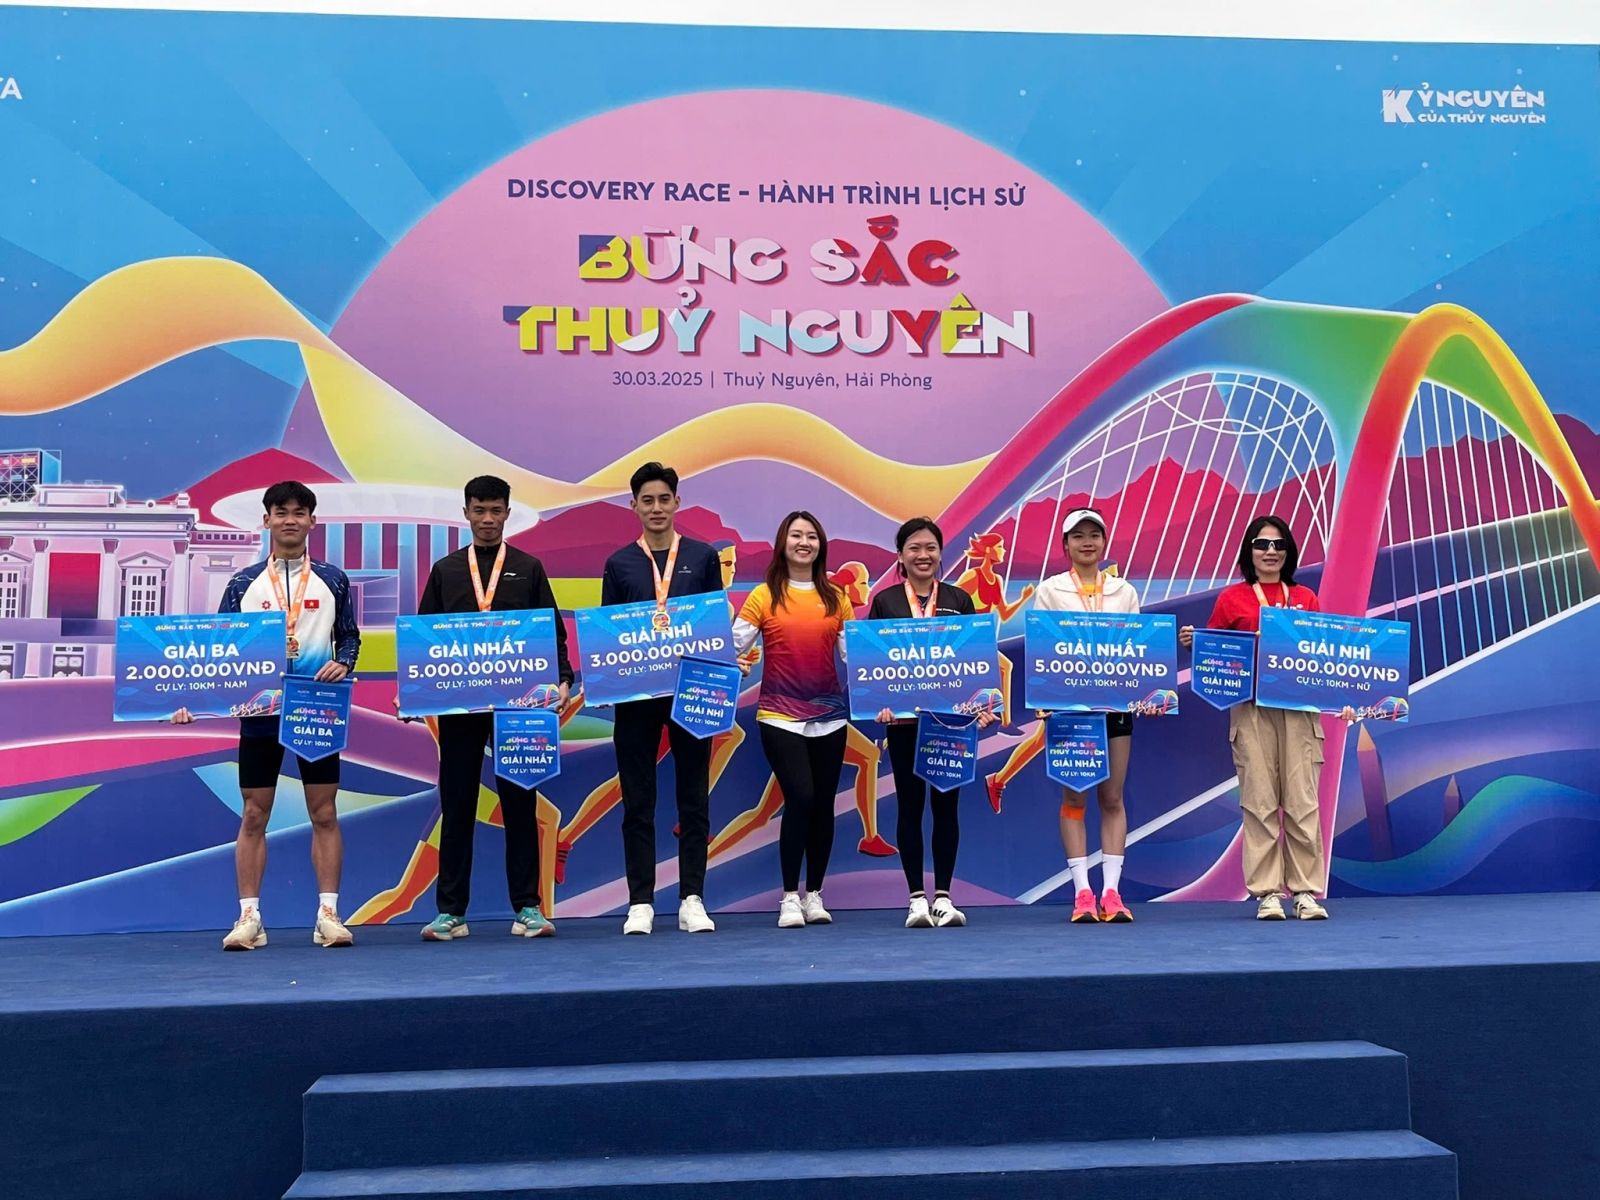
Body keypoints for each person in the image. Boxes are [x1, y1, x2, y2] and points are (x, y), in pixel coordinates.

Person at [174, 481, 360, 951]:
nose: (290, 520)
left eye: (299, 512)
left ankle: (329, 915)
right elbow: (218, 649)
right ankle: (249, 918)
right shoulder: (243, 583)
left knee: (324, 811)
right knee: (255, 813)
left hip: (315, 707)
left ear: (313, 521)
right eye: (281, 512)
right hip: (260, 712)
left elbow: (349, 636)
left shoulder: (334, 579)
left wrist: (345, 662)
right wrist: (191, 700)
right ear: (267, 520)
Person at [415, 475, 572, 941]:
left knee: (520, 803)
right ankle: (451, 912)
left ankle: (527, 907)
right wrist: (414, 690)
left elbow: (552, 631)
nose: (487, 519)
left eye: (495, 510)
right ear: (466, 513)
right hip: (460, 707)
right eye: (479, 510)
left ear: (507, 513)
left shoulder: (528, 567)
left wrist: (564, 679)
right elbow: (424, 638)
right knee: (457, 803)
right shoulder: (446, 571)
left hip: (519, 707)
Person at [1179, 515, 1338, 921]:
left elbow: (1325, 656)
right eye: (1262, 544)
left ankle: (1304, 892)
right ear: (1249, 551)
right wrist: (1195, 644)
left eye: (1278, 544)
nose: (1270, 551)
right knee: (1259, 800)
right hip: (1250, 709)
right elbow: (1214, 655)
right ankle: (1267, 893)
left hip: (1299, 712)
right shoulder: (1231, 599)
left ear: (1289, 552)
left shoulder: (1305, 598)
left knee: (1302, 801)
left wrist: (1351, 693)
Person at [601, 462, 724, 935]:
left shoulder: (702, 556)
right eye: (647, 500)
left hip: (692, 692)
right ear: (633, 506)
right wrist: (606, 680)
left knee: (693, 798)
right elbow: (609, 635)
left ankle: (693, 897)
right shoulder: (619, 564)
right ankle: (641, 902)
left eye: (664, 499)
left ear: (677, 503)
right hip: (636, 698)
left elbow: (713, 624)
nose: (656, 508)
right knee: (638, 800)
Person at [867, 517, 997, 929]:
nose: (923, 555)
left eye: (930, 548)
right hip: (904, 726)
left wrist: (982, 705)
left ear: (941, 554)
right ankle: (916, 900)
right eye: (914, 548)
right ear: (900, 556)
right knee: (909, 806)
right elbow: (872, 663)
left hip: (949, 726)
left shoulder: (959, 599)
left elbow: (974, 662)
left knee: (946, 807)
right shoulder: (885, 602)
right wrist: (879, 704)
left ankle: (943, 897)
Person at [734, 510, 852, 928]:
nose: (805, 542)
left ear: (821, 545)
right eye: (797, 535)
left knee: (823, 804)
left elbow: (856, 657)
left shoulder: (837, 598)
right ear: (783, 543)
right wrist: (731, 664)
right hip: (779, 715)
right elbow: (730, 645)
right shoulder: (763, 595)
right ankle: (788, 897)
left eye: (812, 536)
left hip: (830, 717)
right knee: (800, 796)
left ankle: (814, 894)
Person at [1032, 508, 1141, 924]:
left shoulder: (1124, 592)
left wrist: (1146, 693)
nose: (1087, 542)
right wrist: (1045, 696)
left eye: (1094, 535)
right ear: (1066, 545)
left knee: (1112, 798)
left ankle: (1111, 892)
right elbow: (1043, 648)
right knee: (1074, 799)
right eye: (1078, 536)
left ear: (1104, 542)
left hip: (1115, 707)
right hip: (1068, 709)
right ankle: (1082, 892)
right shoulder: (1050, 590)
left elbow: (1138, 648)